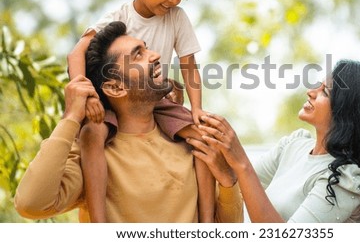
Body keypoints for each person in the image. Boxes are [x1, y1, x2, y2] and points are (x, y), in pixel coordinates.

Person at [14, 21, 243, 223]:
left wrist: (227, 182)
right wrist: (71, 117)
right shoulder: (94, 154)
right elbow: (30, 204)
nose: (155, 55)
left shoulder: (188, 140)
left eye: (146, 48)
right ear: (115, 87)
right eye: (138, 55)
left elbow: (226, 229)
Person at [66, 0, 213, 222]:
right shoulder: (119, 17)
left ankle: (206, 222)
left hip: (156, 100)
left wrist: (197, 110)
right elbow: (76, 54)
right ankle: (99, 223)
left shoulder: (177, 18)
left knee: (203, 138)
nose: (173, 1)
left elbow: (189, 66)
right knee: (92, 134)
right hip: (116, 100)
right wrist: (89, 97)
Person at [188, 59, 360, 223]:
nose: (311, 92)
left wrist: (240, 161)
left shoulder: (344, 180)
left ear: (349, 113)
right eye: (318, 85)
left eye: (325, 92)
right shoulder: (294, 145)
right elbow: (237, 187)